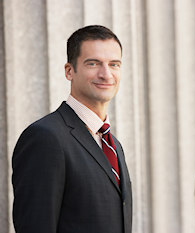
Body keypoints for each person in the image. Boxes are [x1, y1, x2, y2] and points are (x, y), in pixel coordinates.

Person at [12, 25, 132, 233]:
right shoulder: (45, 137)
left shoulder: (114, 145)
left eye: (114, 64)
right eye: (93, 63)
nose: (106, 74)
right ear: (69, 71)